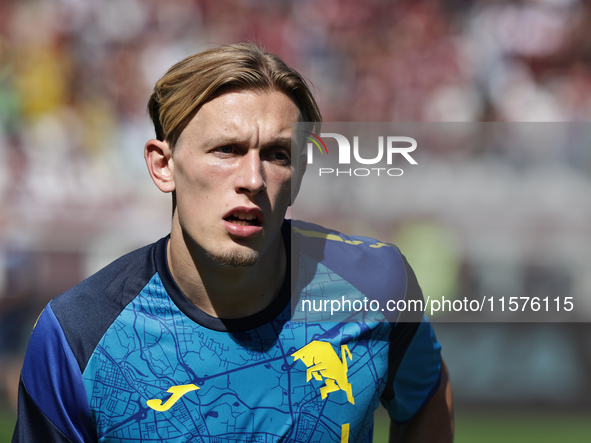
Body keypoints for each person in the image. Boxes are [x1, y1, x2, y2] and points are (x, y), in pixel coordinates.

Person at [12, 42, 453, 442]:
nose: (253, 179)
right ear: (163, 166)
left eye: (278, 155)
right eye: (227, 150)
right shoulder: (76, 336)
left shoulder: (377, 285)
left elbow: (426, 397)